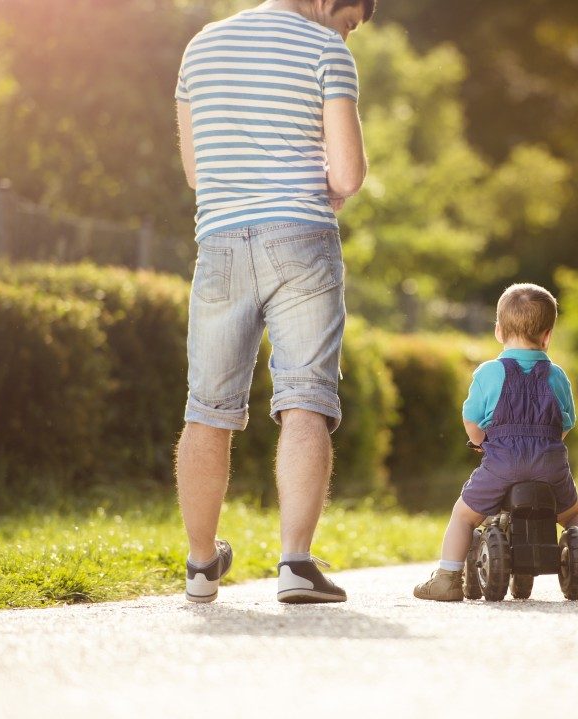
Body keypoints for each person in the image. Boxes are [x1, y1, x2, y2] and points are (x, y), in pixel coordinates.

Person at [173, 0, 376, 605]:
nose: (346, 33)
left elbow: (194, 172)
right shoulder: (325, 51)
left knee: (207, 406)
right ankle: (294, 566)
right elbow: (347, 174)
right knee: (306, 399)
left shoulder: (200, 47)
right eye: (349, 21)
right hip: (301, 239)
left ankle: (202, 567)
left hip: (221, 244)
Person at [414, 284, 578, 601]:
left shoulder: (489, 372)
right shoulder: (557, 375)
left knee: (464, 516)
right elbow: (566, 422)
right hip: (550, 465)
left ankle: (447, 577)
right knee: (575, 514)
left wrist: (480, 442)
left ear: (499, 330)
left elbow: (471, 418)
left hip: (502, 463)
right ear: (548, 335)